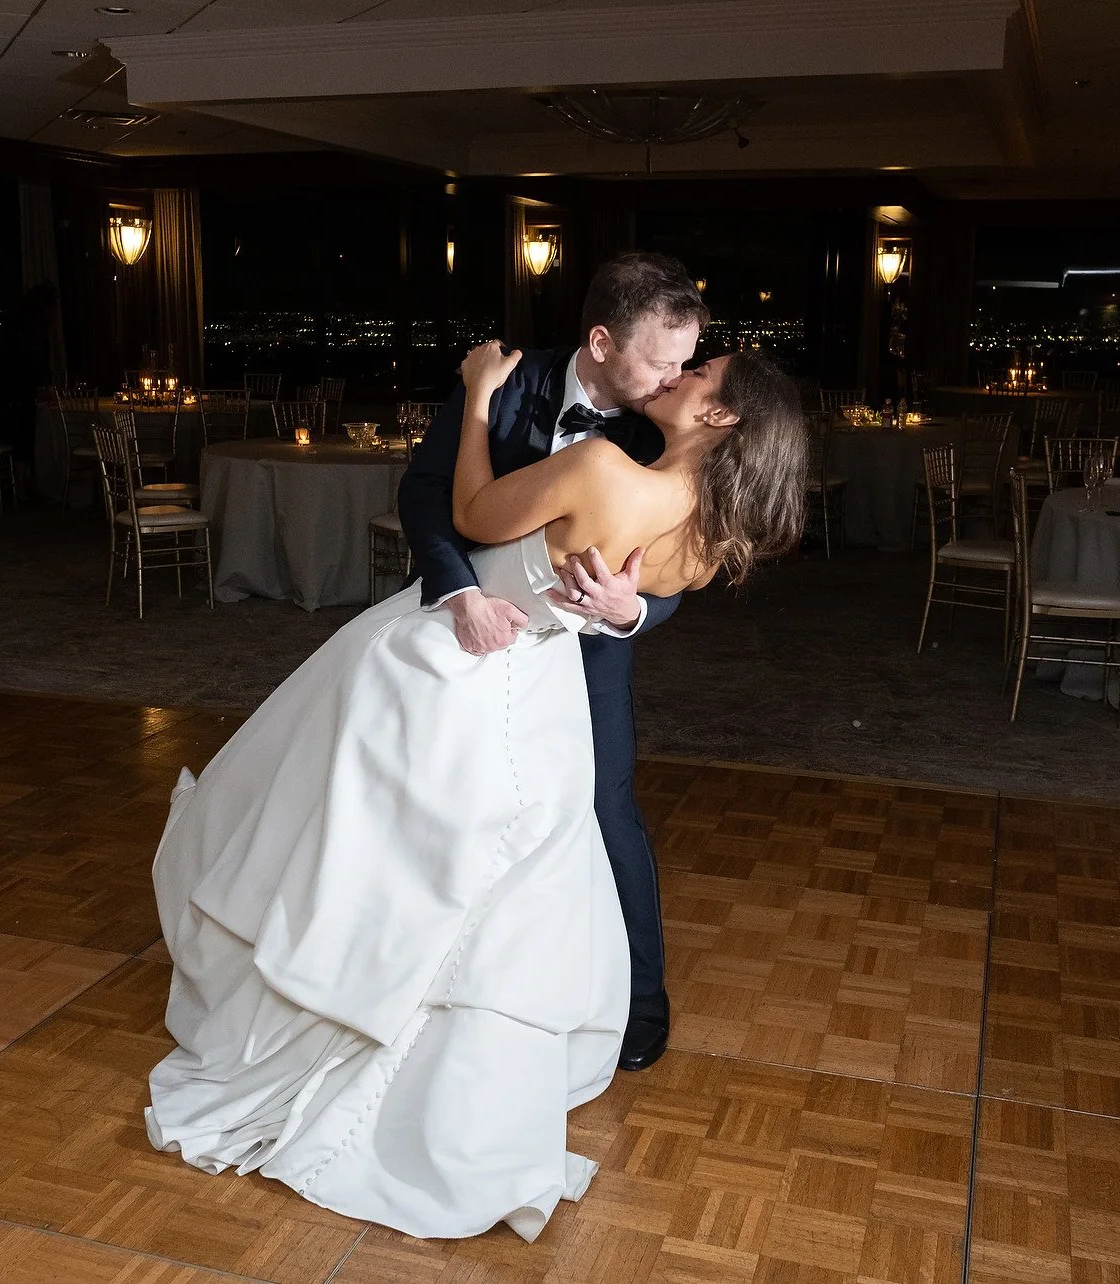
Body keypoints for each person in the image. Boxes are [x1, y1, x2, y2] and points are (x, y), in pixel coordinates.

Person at [147, 340, 807, 1241]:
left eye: (701, 376)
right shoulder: (707, 534)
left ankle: (338, 1025)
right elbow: (639, 599)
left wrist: (480, 397)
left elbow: (468, 510)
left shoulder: (603, 466)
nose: (680, 377)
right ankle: (453, 1086)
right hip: (544, 707)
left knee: (373, 864)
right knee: (486, 900)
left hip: (451, 673)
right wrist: (629, 613)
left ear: (721, 415)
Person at [399, 252, 709, 1075]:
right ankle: (436, 988)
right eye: (662, 359)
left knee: (606, 807)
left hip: (588, 653)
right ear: (602, 341)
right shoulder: (503, 384)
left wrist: (634, 611)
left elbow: (680, 563)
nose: (675, 379)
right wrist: (459, 592)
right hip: (475, 630)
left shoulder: (664, 427)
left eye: (686, 362)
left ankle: (641, 1002)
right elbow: (428, 491)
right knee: (448, 806)